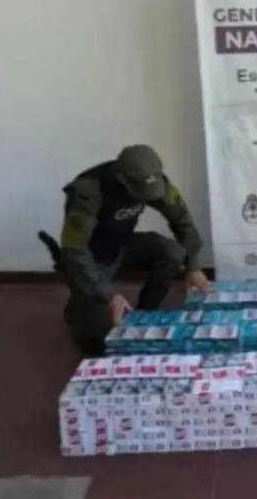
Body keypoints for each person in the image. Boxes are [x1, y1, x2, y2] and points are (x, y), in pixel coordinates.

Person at [50, 144, 209, 356]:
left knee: (174, 253)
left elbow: (182, 222)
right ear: (122, 179)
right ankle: (79, 313)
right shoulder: (89, 191)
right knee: (100, 343)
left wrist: (193, 266)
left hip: (123, 244)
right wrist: (109, 295)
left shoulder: (155, 182)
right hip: (93, 258)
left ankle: (145, 313)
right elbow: (74, 250)